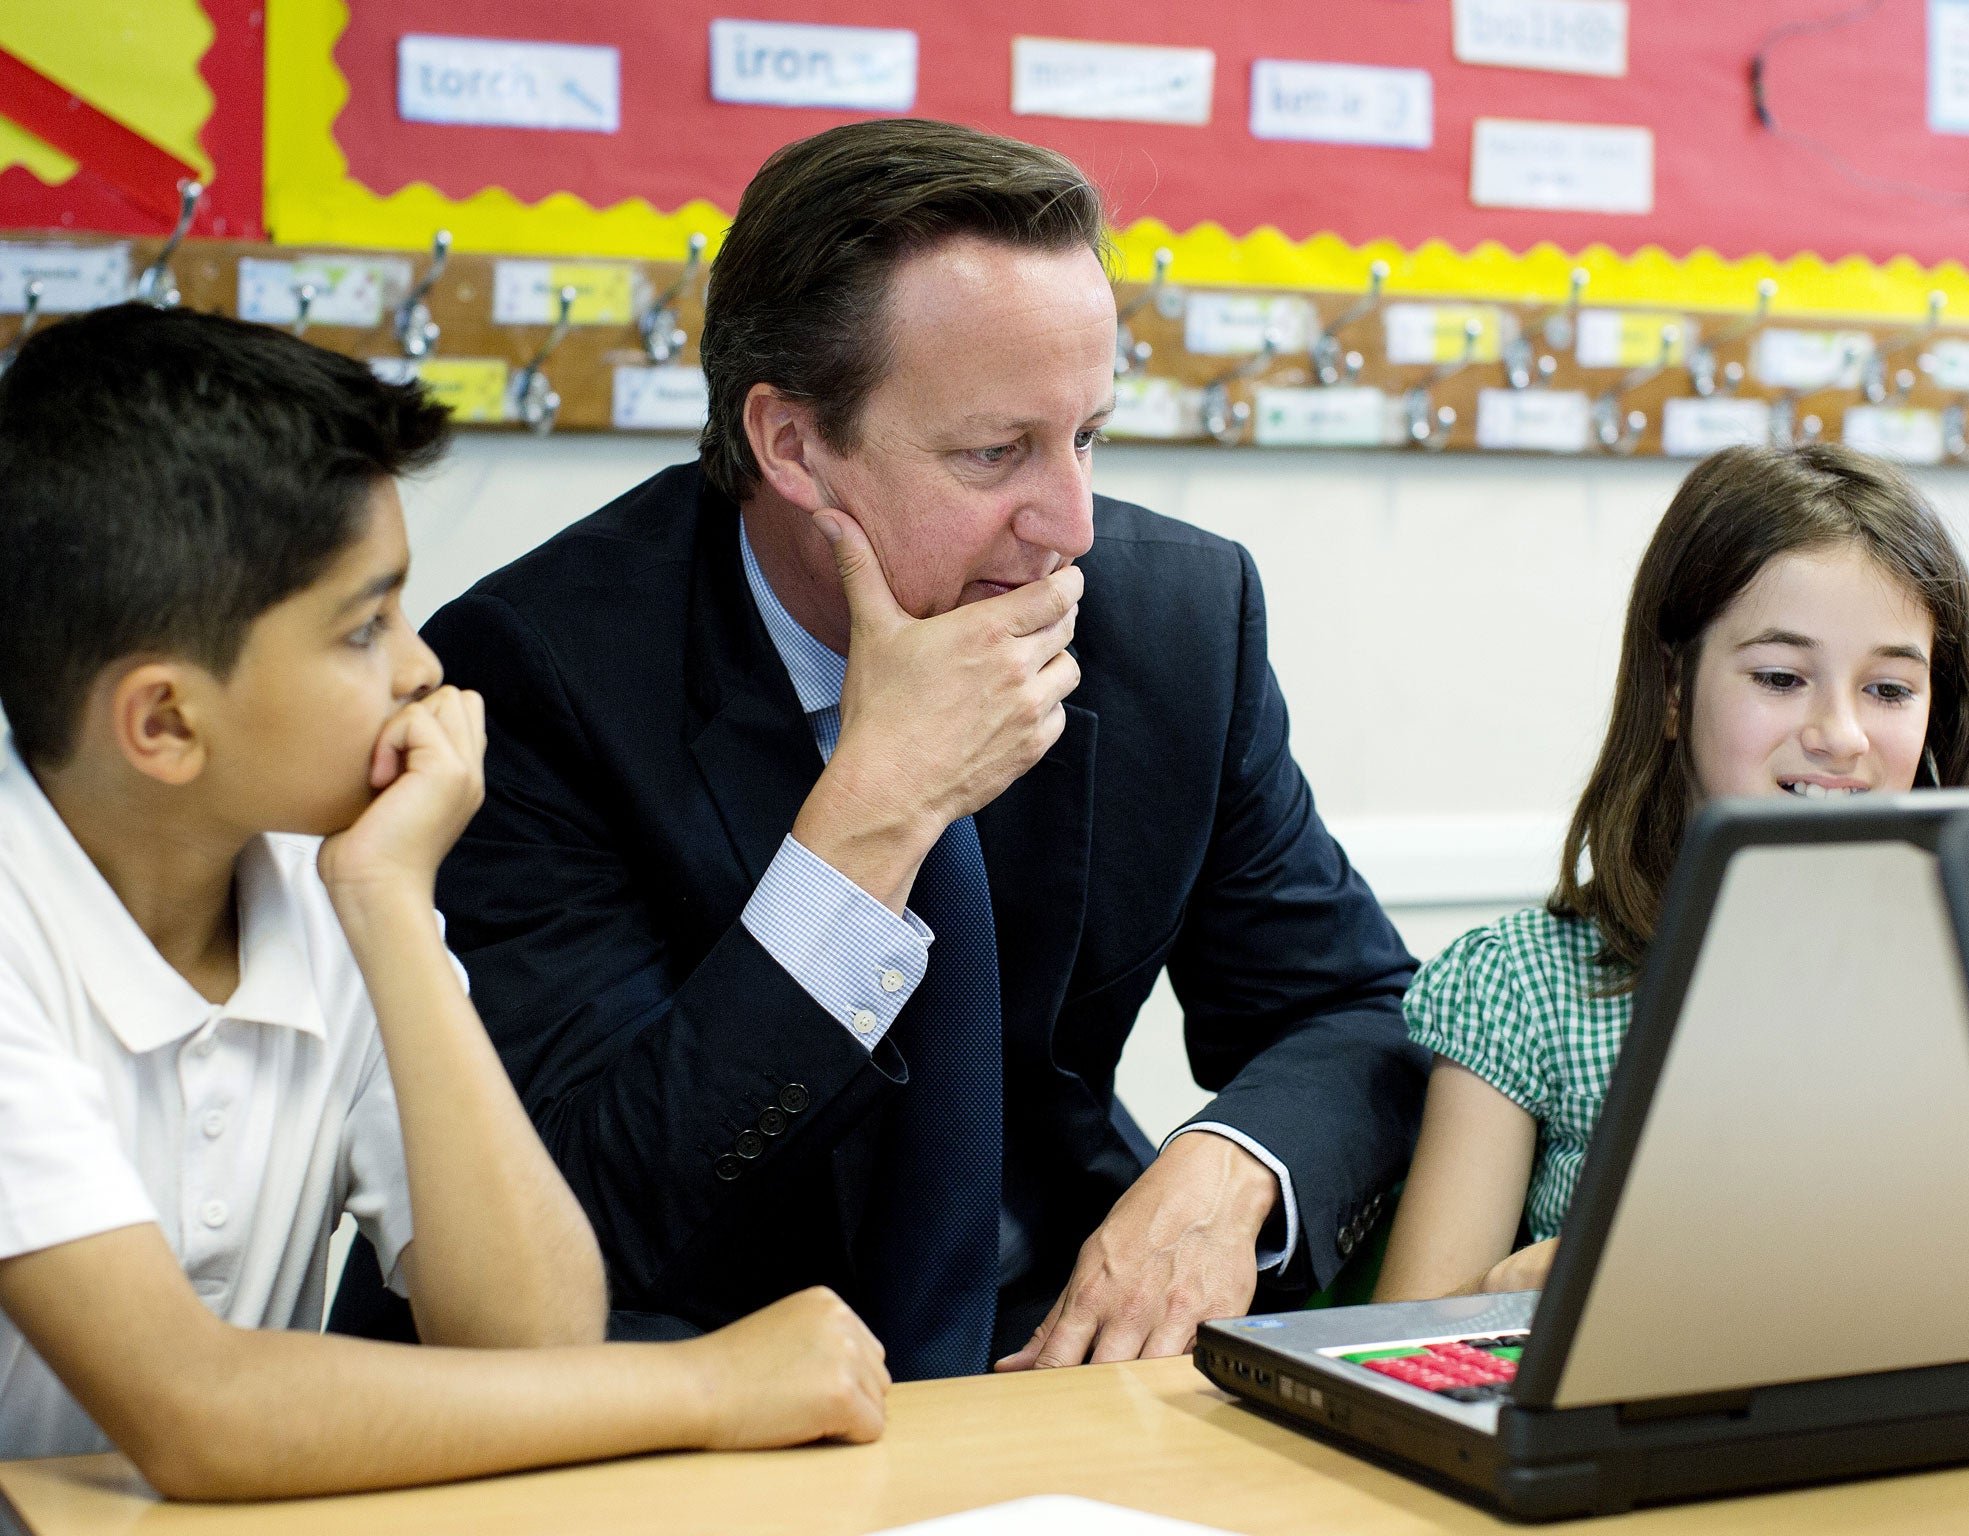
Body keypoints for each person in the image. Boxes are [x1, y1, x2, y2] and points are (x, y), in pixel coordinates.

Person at [371, 119, 1427, 1377]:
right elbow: (602, 1211)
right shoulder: (538, 670)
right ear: (793, 445)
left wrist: (1227, 1172)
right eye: (994, 453)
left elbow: (1356, 1010)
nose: (1069, 526)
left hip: (1043, 1348)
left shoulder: (1173, 624)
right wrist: (874, 809)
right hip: (691, 1376)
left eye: (1085, 435)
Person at [0, 304, 886, 1497]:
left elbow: (533, 1333)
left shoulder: (337, 880)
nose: (421, 666)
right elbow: (194, 1411)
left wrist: (390, 913)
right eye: (364, 627)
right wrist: (712, 1387)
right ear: (164, 723)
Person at [1372, 443, 1969, 1304]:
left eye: (1890, 689)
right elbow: (1398, 1342)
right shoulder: (1525, 986)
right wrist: (1529, 1286)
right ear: (1674, 686)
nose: (1842, 734)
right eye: (1782, 677)